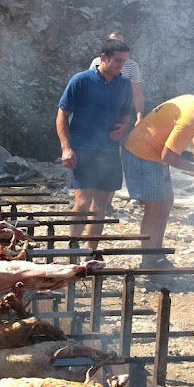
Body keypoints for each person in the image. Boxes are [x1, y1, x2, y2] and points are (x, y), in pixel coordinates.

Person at [122, 95, 194, 264]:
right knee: (155, 209)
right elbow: (168, 157)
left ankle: (157, 254)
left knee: (166, 201)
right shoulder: (189, 121)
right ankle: (148, 261)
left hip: (154, 154)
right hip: (141, 154)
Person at [56, 40, 133, 250]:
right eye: (118, 60)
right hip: (83, 150)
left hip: (109, 152)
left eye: (124, 61)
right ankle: (72, 249)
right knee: (82, 204)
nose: (121, 65)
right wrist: (66, 147)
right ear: (103, 58)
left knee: (100, 207)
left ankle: (90, 254)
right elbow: (62, 115)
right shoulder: (81, 80)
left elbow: (126, 113)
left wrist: (124, 127)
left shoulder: (124, 84)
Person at [89, 32, 146, 121]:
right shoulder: (97, 62)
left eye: (119, 43)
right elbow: (89, 87)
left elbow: (137, 93)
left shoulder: (132, 66)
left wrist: (139, 117)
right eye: (113, 42)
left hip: (119, 114)